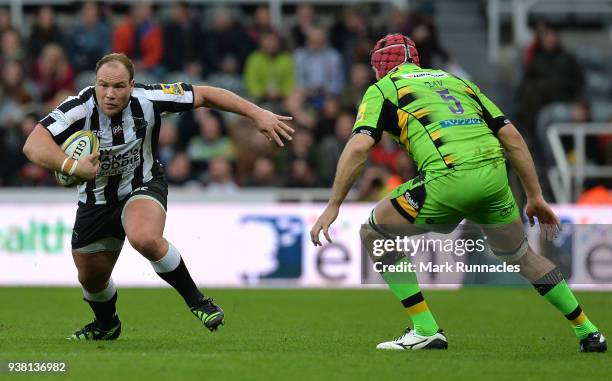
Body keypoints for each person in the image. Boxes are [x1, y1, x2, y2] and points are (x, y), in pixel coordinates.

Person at [309, 34, 606, 353]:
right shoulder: (458, 82)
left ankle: (425, 329)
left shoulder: (384, 88)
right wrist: (535, 197)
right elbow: (513, 137)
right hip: (495, 177)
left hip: (449, 175)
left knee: (374, 231)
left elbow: (358, 148)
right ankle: (589, 332)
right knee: (521, 255)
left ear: (381, 68)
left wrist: (333, 205)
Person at [22, 53, 293, 340]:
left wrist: (257, 114)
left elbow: (205, 94)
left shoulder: (149, 99)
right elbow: (33, 143)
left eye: (118, 86)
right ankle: (106, 325)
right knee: (91, 278)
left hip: (143, 184)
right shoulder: (78, 109)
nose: (110, 94)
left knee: (145, 237)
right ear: (95, 84)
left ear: (132, 85)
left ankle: (198, 301)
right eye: (104, 86)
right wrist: (72, 166)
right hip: (96, 200)